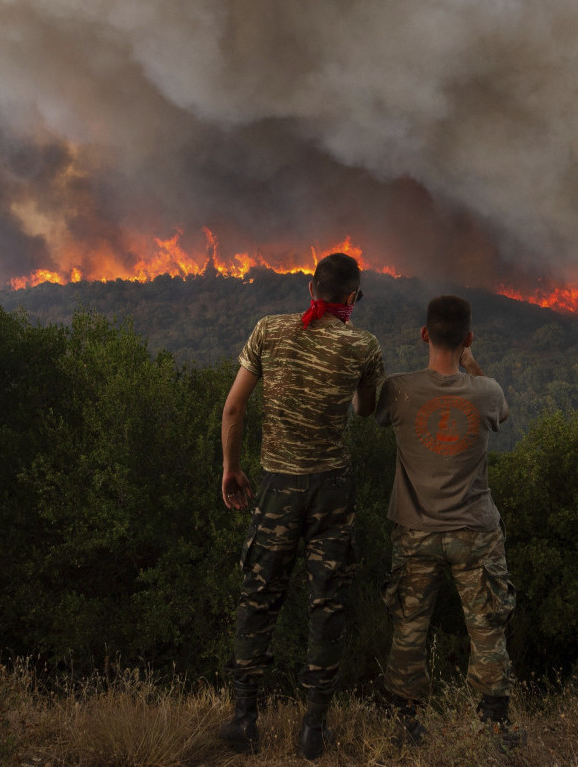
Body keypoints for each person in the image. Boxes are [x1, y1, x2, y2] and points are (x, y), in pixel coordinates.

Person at [218, 252, 384, 760]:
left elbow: (233, 406)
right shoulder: (363, 345)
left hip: (276, 486)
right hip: (331, 488)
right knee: (326, 603)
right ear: (352, 298)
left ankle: (245, 721)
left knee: (259, 597)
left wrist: (231, 468)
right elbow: (366, 408)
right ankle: (313, 730)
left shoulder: (268, 330)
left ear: (311, 287)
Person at [375, 294, 522, 750]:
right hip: (474, 532)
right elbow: (504, 413)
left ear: (424, 334)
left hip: (415, 531)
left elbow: (372, 414)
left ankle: (404, 725)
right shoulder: (487, 391)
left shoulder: (397, 390)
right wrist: (472, 365)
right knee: (487, 627)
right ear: (468, 339)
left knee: (409, 625)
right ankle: (494, 727)